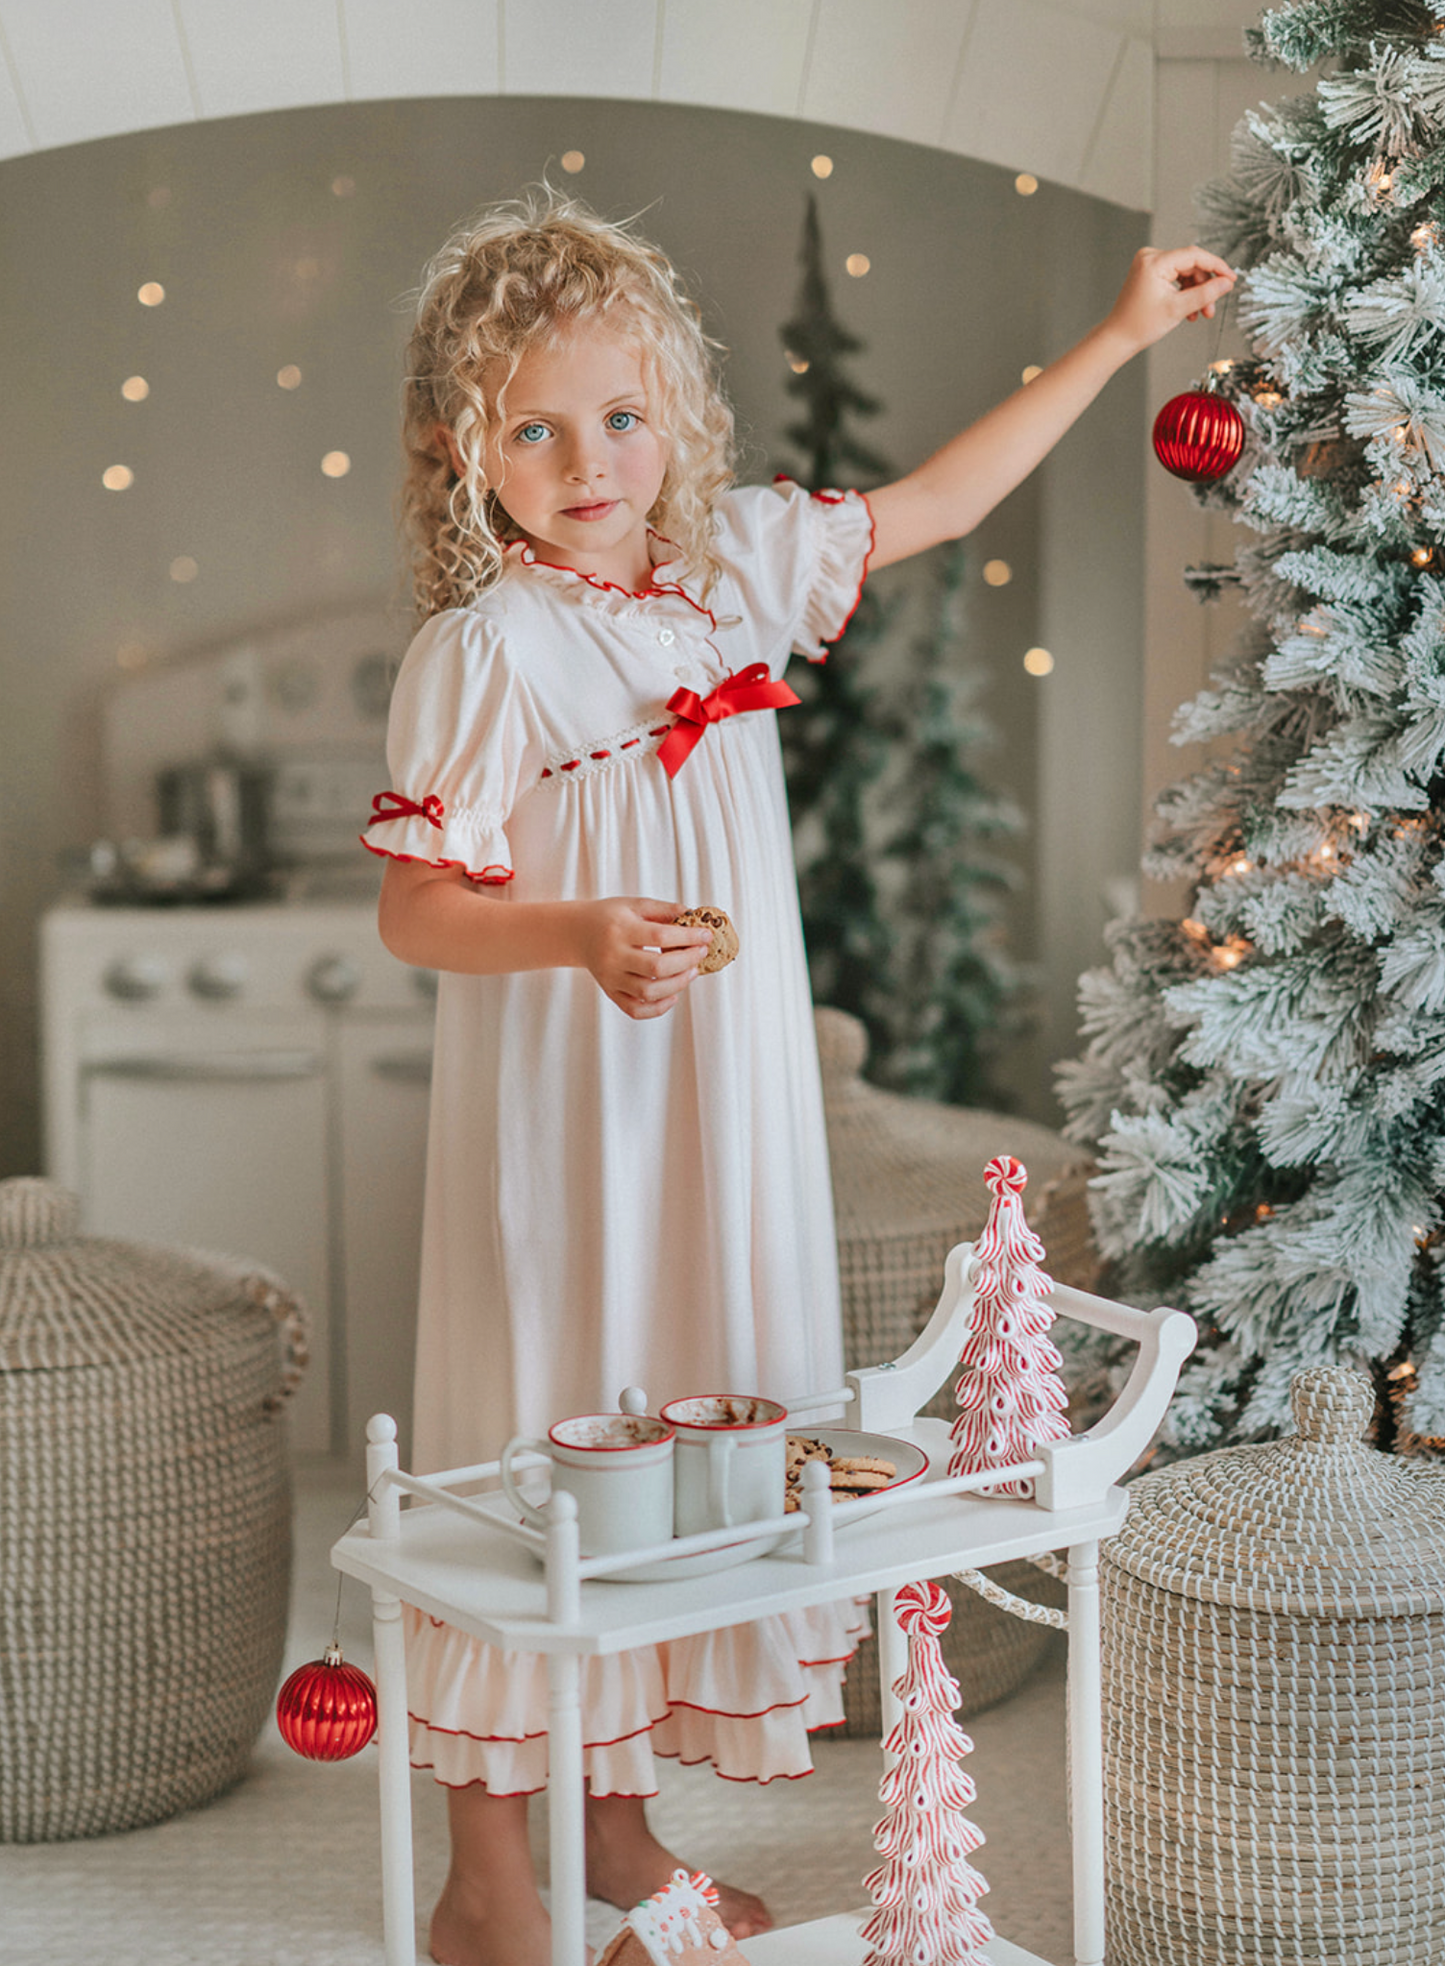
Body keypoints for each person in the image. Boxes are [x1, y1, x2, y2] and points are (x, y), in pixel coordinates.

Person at [364, 191, 1234, 1966]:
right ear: (468, 451)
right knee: (542, 1420)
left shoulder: (736, 571)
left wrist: (1127, 333)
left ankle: (617, 1843)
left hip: (718, 1107)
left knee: (683, 1426)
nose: (587, 458)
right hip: (566, 1111)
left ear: (677, 409)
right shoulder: (490, 653)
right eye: (532, 427)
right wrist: (580, 930)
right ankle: (488, 1878)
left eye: (619, 414)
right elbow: (416, 913)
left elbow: (945, 499)